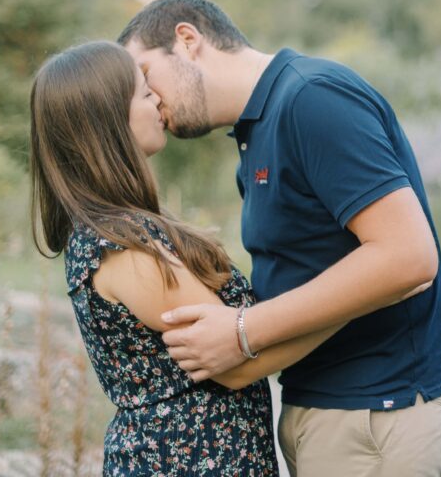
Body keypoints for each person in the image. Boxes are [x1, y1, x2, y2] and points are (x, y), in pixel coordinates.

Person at [119, 0, 441, 477]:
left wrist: (242, 332)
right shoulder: (259, 129)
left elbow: (409, 257)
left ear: (187, 40)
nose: (151, 98)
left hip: (379, 409)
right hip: (328, 405)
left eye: (145, 74)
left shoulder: (312, 98)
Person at [29, 40, 345, 476]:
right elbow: (236, 364)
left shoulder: (118, 229)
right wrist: (355, 302)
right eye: (143, 92)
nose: (157, 97)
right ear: (108, 121)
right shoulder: (123, 246)